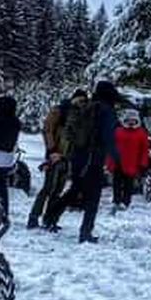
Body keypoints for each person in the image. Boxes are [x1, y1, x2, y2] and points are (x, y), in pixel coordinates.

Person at [44, 81, 119, 243]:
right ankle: (85, 233)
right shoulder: (106, 110)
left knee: (75, 189)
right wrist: (116, 157)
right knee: (93, 196)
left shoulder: (89, 106)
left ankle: (50, 216)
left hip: (79, 156)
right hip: (94, 158)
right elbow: (109, 137)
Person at [26, 91, 81, 229]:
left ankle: (49, 218)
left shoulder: (79, 115)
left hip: (67, 156)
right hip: (55, 154)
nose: (82, 103)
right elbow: (48, 130)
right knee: (48, 188)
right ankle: (34, 217)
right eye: (80, 100)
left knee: (58, 189)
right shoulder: (60, 111)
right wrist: (52, 150)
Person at [109, 109, 150, 210]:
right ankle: (116, 200)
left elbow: (144, 149)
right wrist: (109, 161)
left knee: (129, 184)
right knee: (116, 183)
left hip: (132, 163)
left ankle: (126, 201)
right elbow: (111, 146)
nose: (131, 122)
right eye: (129, 120)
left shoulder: (141, 133)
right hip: (118, 161)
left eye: (133, 120)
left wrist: (143, 163)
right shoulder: (118, 131)